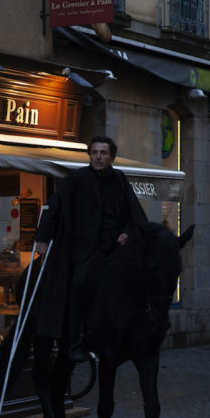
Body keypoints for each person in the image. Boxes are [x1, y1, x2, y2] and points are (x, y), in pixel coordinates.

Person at [34, 135, 148, 362]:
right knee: (79, 285)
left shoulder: (120, 179)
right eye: (94, 153)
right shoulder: (76, 178)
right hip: (86, 249)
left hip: (115, 248)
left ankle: (139, 330)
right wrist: (42, 238)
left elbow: (134, 213)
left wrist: (128, 231)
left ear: (111, 157)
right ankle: (76, 340)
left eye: (103, 153)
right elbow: (52, 206)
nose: (98, 157)